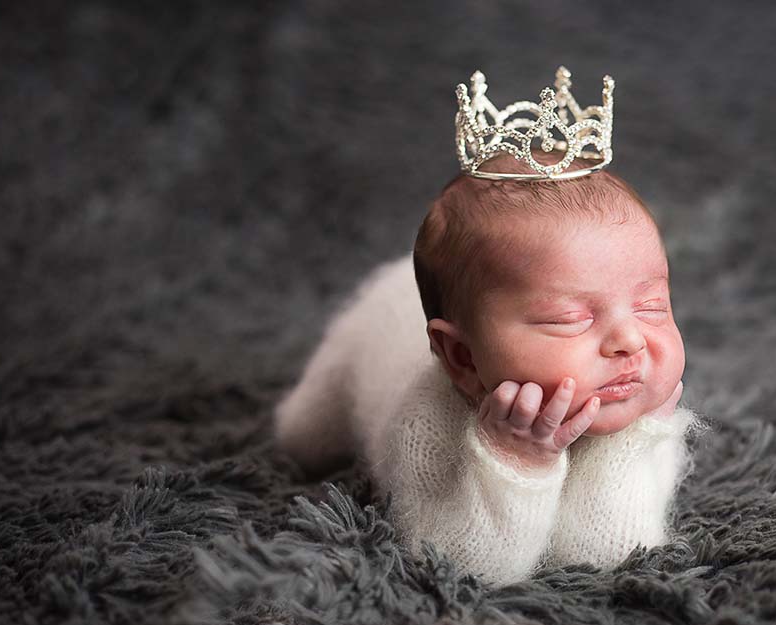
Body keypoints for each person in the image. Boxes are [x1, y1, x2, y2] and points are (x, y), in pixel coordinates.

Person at [274, 70, 706, 586]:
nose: (631, 341)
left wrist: (640, 437)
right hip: (376, 328)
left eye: (652, 306)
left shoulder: (629, 395)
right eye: (571, 319)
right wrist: (514, 462)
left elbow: (609, 550)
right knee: (301, 440)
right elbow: (464, 568)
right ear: (463, 359)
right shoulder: (426, 420)